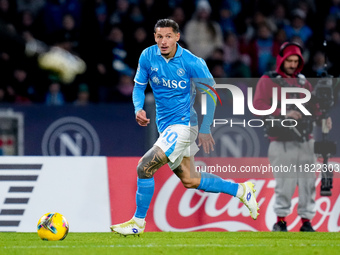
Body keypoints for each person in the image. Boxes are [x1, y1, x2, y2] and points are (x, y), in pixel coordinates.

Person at [110, 19, 259, 236]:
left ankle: (137, 222)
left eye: (168, 36)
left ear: (177, 37)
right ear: (154, 37)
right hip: (166, 127)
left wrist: (206, 128)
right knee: (190, 179)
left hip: (184, 126)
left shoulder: (192, 62)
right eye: (159, 36)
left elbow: (211, 95)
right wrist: (138, 108)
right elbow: (139, 86)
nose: (163, 41)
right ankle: (241, 190)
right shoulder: (147, 56)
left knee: (144, 167)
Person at [253, 42, 332, 232]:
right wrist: (283, 113)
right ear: (281, 60)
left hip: (306, 140)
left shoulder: (304, 82)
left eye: (296, 61)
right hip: (281, 141)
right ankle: (281, 220)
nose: (293, 65)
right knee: (284, 183)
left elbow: (315, 108)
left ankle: (307, 222)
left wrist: (324, 118)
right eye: (289, 60)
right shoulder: (268, 79)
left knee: (307, 184)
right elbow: (258, 106)